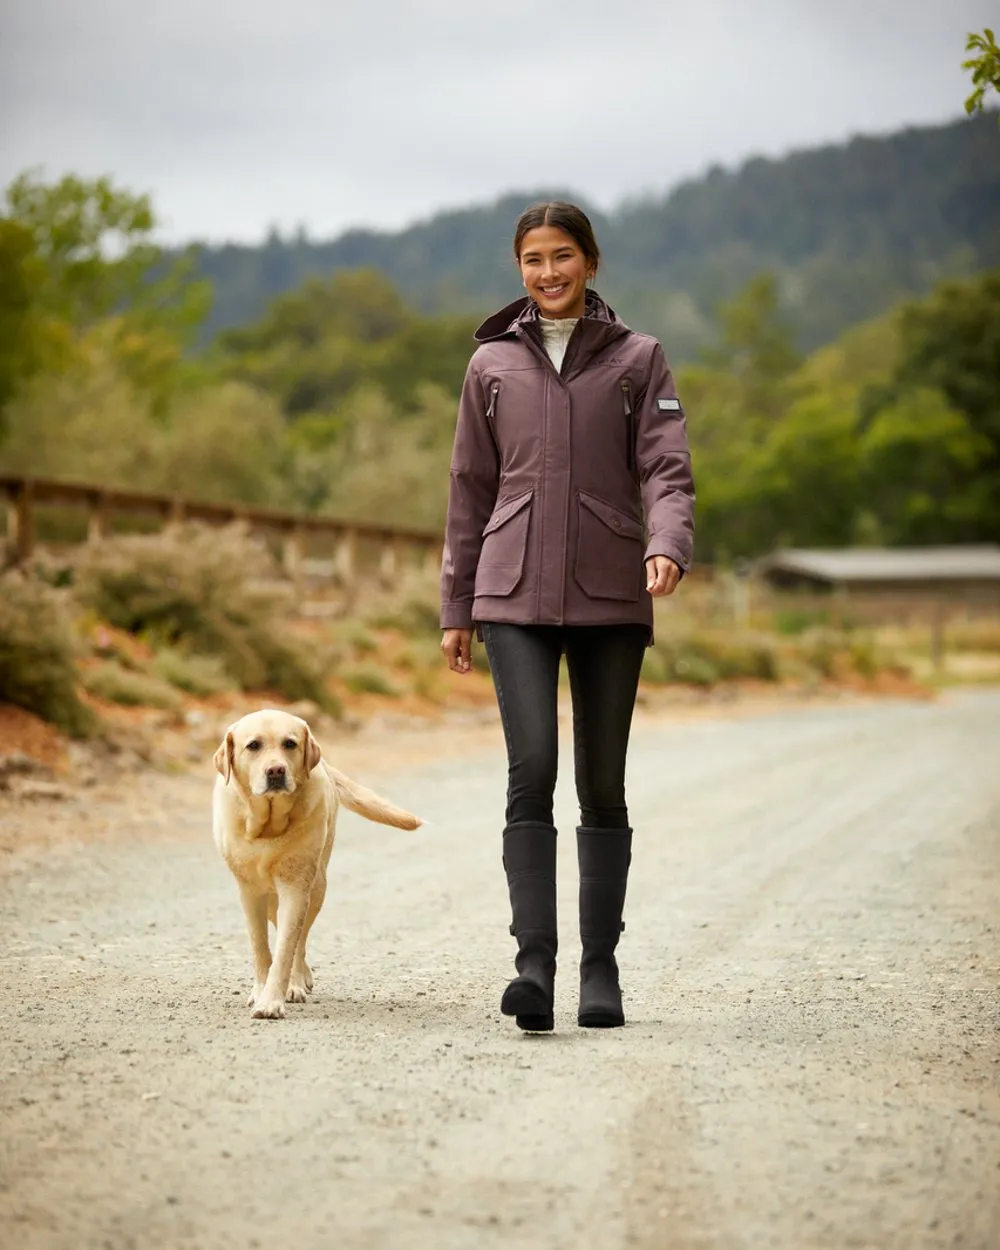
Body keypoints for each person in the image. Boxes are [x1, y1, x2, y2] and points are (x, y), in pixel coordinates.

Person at [440, 201, 695, 1032]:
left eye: (561, 257)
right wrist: (456, 604)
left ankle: (600, 971)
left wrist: (667, 542)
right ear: (519, 268)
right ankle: (533, 968)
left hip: (612, 593)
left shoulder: (638, 360)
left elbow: (666, 469)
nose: (546, 273)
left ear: (591, 261)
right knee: (531, 770)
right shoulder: (489, 366)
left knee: (602, 782)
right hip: (510, 594)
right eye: (531, 260)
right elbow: (469, 491)